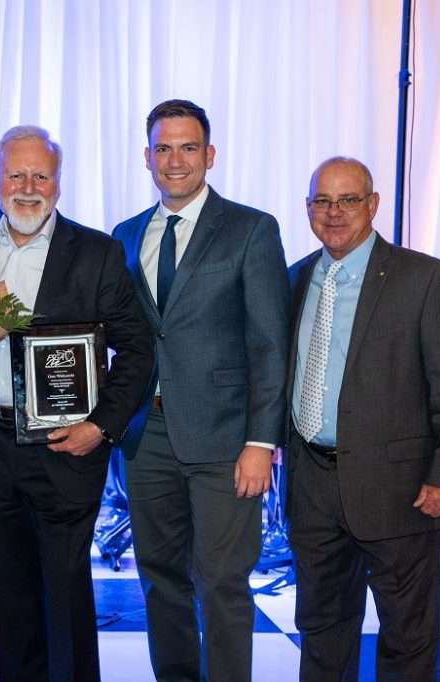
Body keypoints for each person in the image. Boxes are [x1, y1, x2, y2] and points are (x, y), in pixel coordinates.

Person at [0, 125, 153, 682]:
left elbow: (137, 348)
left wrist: (102, 427)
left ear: (58, 184)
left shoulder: (97, 252)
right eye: (16, 174)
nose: (28, 187)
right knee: (5, 596)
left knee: (63, 595)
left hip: (65, 447)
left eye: (42, 175)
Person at [112, 99, 291, 681]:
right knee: (159, 580)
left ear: (209, 155)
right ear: (146, 157)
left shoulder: (251, 228)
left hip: (226, 439)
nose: (175, 160)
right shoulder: (126, 234)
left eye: (188, 147)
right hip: (147, 437)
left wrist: (261, 442)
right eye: (163, 148)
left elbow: (269, 344)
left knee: (222, 584)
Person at [286, 157, 440, 681]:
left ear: (373, 205)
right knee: (322, 630)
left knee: (407, 636)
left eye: (348, 199)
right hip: (313, 488)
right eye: (322, 201)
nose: (334, 212)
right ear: (307, 209)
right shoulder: (296, 278)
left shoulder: (424, 278)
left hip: (400, 490)